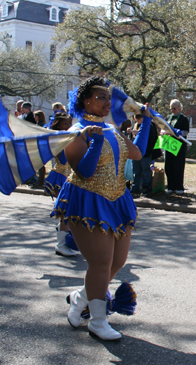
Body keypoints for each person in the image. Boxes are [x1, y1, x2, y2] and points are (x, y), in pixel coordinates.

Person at [53, 77, 152, 341]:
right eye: (100, 98)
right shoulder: (75, 130)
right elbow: (83, 172)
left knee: (117, 262)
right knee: (100, 263)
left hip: (118, 199)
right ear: (85, 101)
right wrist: (94, 142)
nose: (107, 102)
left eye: (108, 98)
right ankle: (97, 320)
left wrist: (147, 122)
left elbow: (138, 153)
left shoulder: (110, 128)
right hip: (87, 199)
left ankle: (80, 297)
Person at [43, 112, 78, 257]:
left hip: (67, 177)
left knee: (67, 212)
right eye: (65, 124)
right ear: (58, 125)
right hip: (59, 177)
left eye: (70, 123)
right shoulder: (58, 139)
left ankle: (63, 237)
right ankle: (61, 244)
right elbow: (63, 160)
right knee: (66, 213)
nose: (69, 126)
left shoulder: (64, 138)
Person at [164, 99, 189, 194]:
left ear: (179, 108)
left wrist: (177, 133)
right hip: (169, 144)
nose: (172, 110)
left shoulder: (184, 119)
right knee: (168, 165)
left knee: (178, 166)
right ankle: (170, 186)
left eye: (174, 108)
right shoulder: (168, 118)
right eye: (171, 108)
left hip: (179, 145)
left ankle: (179, 187)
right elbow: (164, 128)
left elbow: (186, 132)